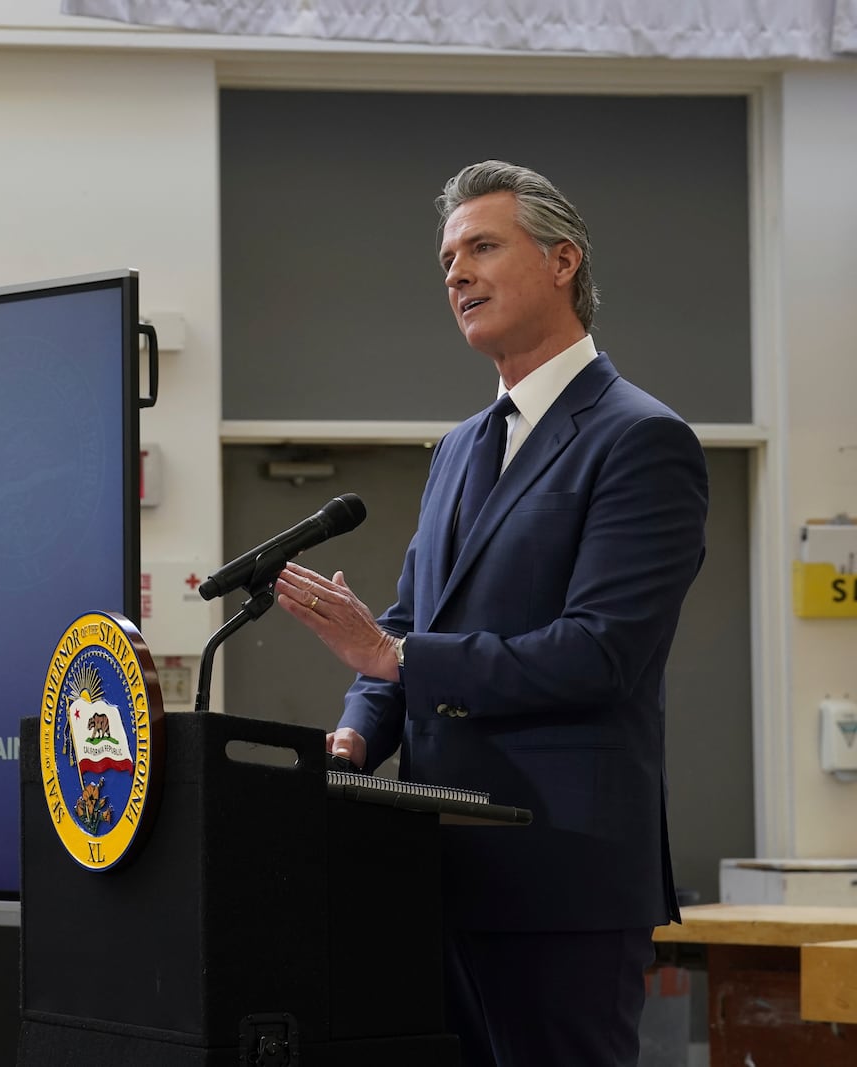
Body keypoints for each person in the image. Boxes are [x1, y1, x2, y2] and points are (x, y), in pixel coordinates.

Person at [274, 160, 708, 1067]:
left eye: (481, 247)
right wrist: (357, 734)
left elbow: (600, 653)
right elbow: (404, 619)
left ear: (562, 261)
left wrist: (395, 661)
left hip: (564, 878)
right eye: (446, 261)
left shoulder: (641, 439)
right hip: (437, 874)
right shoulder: (459, 448)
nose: (456, 274)